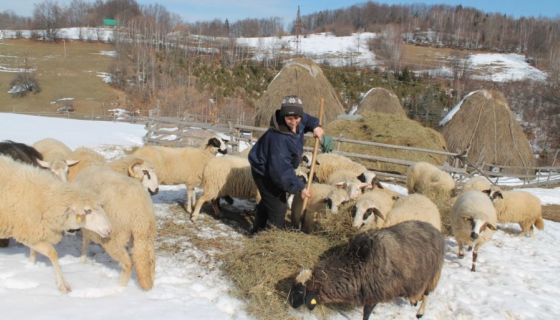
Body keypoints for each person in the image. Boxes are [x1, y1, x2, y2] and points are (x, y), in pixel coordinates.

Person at [248, 95, 324, 233]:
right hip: (264, 170)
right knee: (279, 207)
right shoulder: (278, 139)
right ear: (283, 116)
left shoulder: (298, 120)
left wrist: (315, 126)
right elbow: (281, 172)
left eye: (297, 118)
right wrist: (299, 188)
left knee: (269, 200)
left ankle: (257, 229)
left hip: (278, 166)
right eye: (289, 118)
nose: (294, 122)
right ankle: (270, 239)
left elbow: (307, 119)